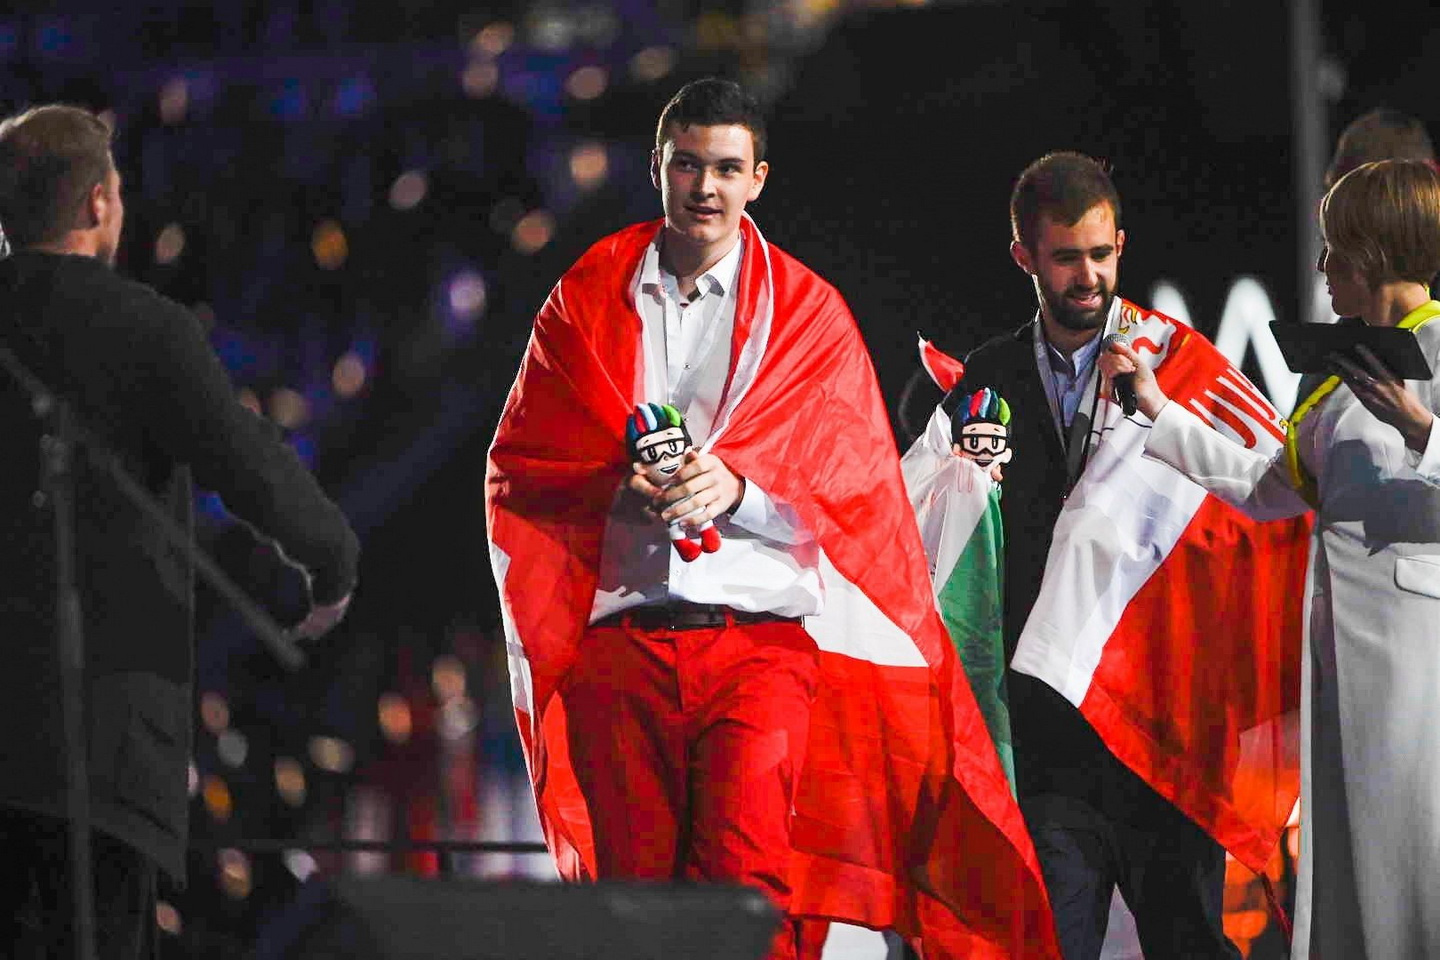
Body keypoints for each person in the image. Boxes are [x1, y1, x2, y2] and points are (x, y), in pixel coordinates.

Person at [486, 78, 1058, 959]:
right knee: (630, 912)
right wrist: (611, 485)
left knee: (748, 899)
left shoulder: (807, 313)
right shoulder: (586, 294)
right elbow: (523, 463)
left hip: (755, 649)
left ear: (758, 178)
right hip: (620, 648)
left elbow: (855, 486)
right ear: (657, 168)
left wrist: (740, 489)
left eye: (726, 168)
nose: (704, 187)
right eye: (687, 165)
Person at [0, 105, 359, 958]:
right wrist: (331, 569)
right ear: (97, 203)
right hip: (103, 756)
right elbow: (248, 462)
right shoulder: (143, 327)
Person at [950, 151, 1310, 960]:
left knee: (1188, 944)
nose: (1088, 277)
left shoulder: (1186, 365)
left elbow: (1275, 501)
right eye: (1065, 258)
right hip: (1044, 733)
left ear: (1121, 246)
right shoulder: (985, 376)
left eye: (1101, 255)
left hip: (1164, 728)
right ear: (1023, 256)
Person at [1100, 157, 1440, 960]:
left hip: (1419, 666)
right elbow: (1270, 487)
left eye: (1335, 248)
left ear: (1375, 254)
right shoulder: (1346, 370)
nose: (1322, 266)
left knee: (1415, 866)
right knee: (1356, 870)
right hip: (1341, 662)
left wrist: (1423, 428)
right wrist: (1157, 409)